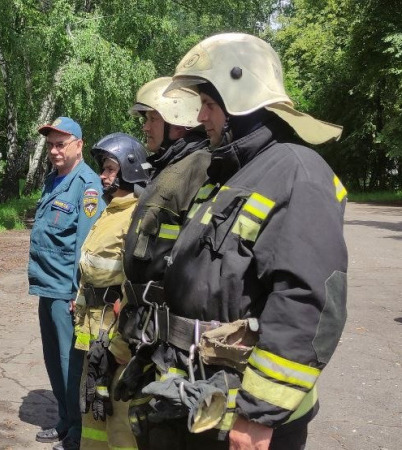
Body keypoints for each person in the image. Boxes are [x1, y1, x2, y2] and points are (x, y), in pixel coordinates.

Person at [122, 33, 348, 450]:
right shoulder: (228, 176)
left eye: (209, 105)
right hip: (196, 398)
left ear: (242, 103)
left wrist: (259, 414)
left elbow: (308, 301)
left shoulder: (298, 172)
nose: (200, 117)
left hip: (240, 419)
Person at [29, 117, 105, 449]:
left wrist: (80, 290)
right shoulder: (53, 179)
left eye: (61, 144)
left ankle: (77, 431)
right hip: (47, 285)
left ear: (78, 144)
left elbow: (86, 244)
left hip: (67, 290)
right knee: (52, 358)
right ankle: (63, 420)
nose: (54, 151)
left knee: (70, 363)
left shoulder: (87, 185)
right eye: (50, 145)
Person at [73, 133, 149, 450]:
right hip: (94, 326)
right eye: (103, 169)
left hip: (115, 331)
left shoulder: (136, 215)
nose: (102, 176)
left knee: (117, 409)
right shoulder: (111, 210)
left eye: (109, 169)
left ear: (129, 169)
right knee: (92, 402)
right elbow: (89, 270)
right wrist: (79, 308)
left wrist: (122, 342)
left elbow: (138, 282)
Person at [123, 76, 210, 284]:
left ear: (178, 123)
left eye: (153, 119)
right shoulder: (170, 165)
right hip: (145, 306)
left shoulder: (198, 166)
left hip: (164, 305)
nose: (145, 128)